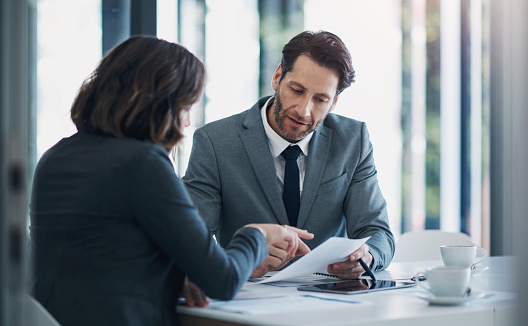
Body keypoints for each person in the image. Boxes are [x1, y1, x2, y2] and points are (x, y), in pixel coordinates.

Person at [29, 35, 313, 326]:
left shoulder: (55, 157)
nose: (187, 121)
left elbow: (101, 260)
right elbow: (222, 281)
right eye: (185, 107)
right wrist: (258, 235)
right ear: (159, 104)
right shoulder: (142, 164)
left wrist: (177, 276)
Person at [183, 30, 395, 280]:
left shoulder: (352, 139)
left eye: (320, 99)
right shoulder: (215, 142)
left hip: (328, 296)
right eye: (297, 90)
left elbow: (378, 232)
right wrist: (242, 260)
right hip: (247, 294)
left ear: (334, 103)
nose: (304, 111)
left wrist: (367, 256)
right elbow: (191, 241)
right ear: (277, 78)